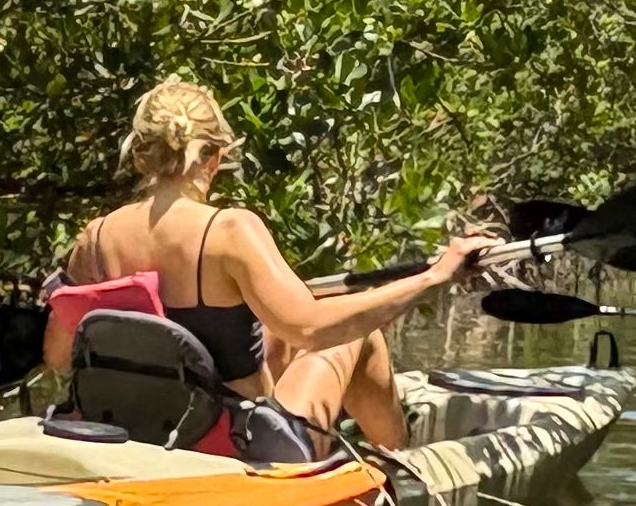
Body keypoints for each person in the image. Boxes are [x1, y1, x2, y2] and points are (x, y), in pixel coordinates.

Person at [40, 78, 499, 449]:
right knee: (361, 335)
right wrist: (434, 276)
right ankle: (401, 466)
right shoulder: (229, 231)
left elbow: (58, 357)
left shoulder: (95, 237)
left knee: (274, 333)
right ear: (216, 157)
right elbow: (314, 329)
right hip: (225, 441)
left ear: (140, 155)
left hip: (133, 431)